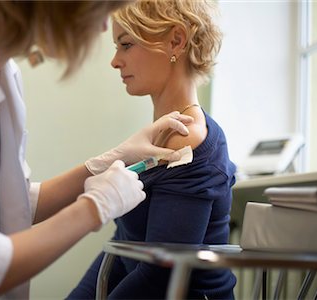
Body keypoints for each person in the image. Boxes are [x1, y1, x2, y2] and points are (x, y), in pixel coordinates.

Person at [0, 1, 195, 299]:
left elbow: (11, 203)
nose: (104, 26)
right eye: (101, 8)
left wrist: (107, 161)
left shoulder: (5, 72)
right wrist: (94, 208)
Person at [67, 0, 237, 299]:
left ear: (176, 40)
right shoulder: (159, 138)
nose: (115, 61)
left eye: (126, 44)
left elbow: (160, 275)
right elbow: (123, 244)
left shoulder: (187, 140)